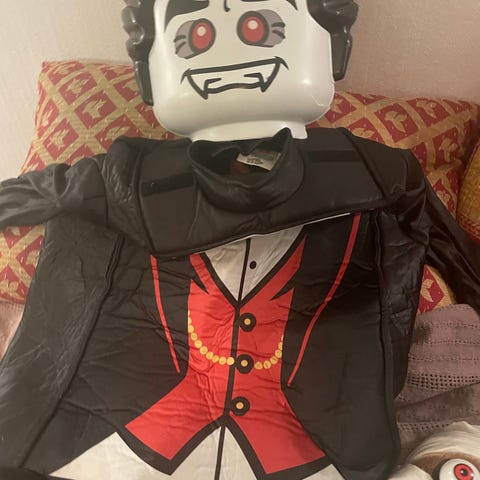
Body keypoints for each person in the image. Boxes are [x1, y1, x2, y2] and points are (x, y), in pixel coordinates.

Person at [1, 1, 479, 479]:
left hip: (314, 448)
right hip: (126, 444)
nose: (228, 55)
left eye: (259, 28)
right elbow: (45, 190)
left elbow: (460, 260)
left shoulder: (380, 177)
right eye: (198, 37)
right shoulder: (126, 175)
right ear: (150, 65)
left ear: (333, 44)